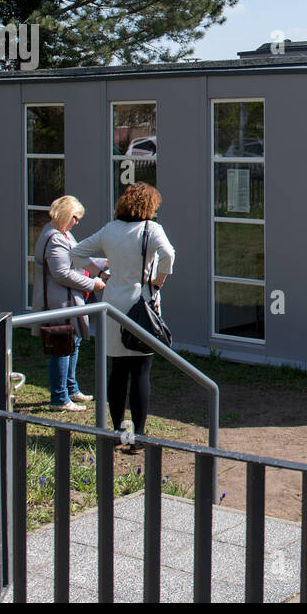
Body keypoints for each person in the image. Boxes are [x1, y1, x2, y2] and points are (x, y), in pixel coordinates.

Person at [70, 182, 174, 454]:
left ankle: (119, 432)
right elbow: (169, 254)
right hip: (143, 305)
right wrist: (158, 280)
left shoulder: (110, 230)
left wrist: (101, 272)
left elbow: (76, 252)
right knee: (140, 371)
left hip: (114, 305)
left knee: (117, 371)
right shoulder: (152, 230)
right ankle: (137, 437)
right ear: (150, 205)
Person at [33, 195, 106, 411]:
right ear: (65, 214)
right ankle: (60, 398)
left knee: (73, 344)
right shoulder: (54, 237)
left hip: (68, 302)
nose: (77, 222)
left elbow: (78, 258)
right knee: (62, 348)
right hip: (60, 304)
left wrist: (103, 263)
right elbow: (62, 274)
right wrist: (93, 284)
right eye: (75, 217)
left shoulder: (61, 233)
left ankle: (71, 389)